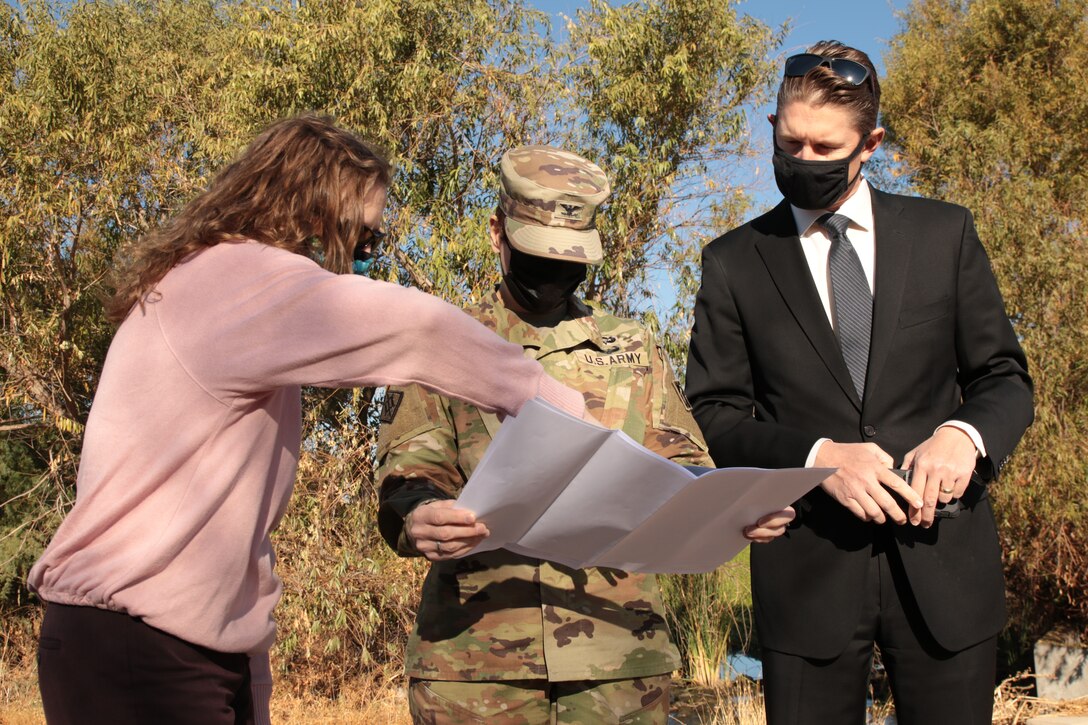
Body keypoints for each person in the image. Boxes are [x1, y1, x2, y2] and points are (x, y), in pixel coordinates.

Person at [27, 116, 597, 725]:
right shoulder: (237, 282)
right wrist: (556, 405)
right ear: (311, 212)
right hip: (134, 647)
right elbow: (415, 329)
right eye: (363, 236)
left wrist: (250, 669)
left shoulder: (213, 285)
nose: (360, 256)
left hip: (178, 642)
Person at [376, 145, 795, 725]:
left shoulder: (632, 348)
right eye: (538, 256)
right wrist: (420, 514)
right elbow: (409, 473)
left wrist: (737, 509)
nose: (552, 275)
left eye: (568, 261)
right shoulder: (444, 342)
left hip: (621, 657)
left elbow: (685, 466)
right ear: (498, 231)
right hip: (475, 664)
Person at [684, 41, 1034, 725]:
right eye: (790, 143)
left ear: (870, 142)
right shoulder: (734, 263)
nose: (803, 161)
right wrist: (817, 459)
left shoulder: (945, 234)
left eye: (824, 147)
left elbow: (1004, 377)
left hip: (945, 574)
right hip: (806, 580)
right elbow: (717, 410)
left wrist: (964, 435)